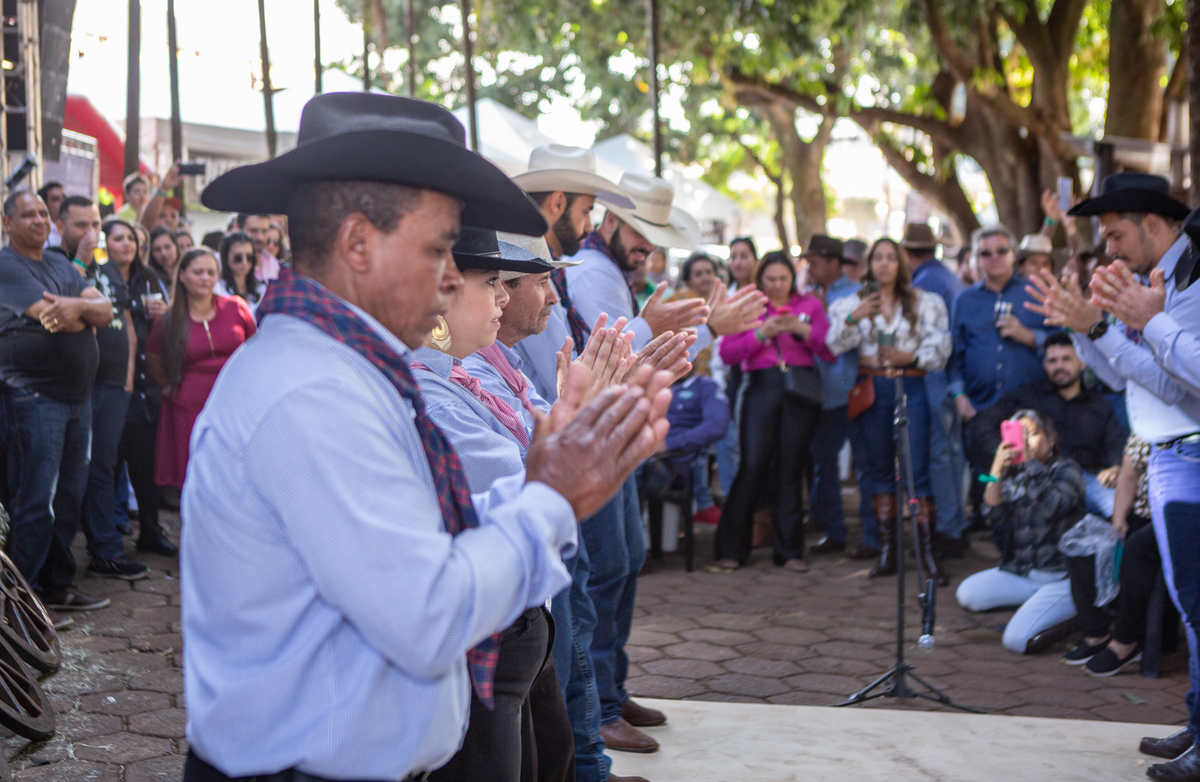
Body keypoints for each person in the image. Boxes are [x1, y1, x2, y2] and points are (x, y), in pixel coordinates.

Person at [181, 91, 673, 782]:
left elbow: (424, 548)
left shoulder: (341, 370)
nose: (450, 281)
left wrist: (547, 478)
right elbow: (429, 614)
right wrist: (552, 496)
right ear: (358, 243)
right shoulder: (314, 391)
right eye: (440, 249)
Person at [1025, 172, 1200, 780]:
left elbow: (1178, 383)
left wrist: (1106, 327)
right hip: (1168, 456)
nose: (1109, 249)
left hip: (1190, 452)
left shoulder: (1192, 276)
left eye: (1115, 234)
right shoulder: (1152, 281)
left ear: (1151, 223)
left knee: (1197, 603)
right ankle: (1198, 723)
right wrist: (1084, 326)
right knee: (1191, 602)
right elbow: (1123, 375)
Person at [410, 228, 571, 782]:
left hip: (505, 624)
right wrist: (575, 444)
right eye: (490, 282)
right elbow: (521, 484)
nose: (504, 295)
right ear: (442, 295)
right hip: (486, 633)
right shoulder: (430, 394)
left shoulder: (451, 373)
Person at [0, 190, 113, 621]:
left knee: (68, 499)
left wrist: (79, 306)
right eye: (28, 214)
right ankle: (20, 608)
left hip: (77, 400)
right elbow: (52, 317)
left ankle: (56, 586)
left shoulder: (60, 263)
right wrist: (85, 310)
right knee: (34, 502)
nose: (39, 220)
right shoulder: (7, 265)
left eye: (43, 213)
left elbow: (104, 311)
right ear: (7, 223)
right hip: (33, 398)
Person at [826, 238, 952, 584]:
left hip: (912, 385)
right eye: (877, 258)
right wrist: (854, 317)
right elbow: (834, 343)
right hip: (872, 387)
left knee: (917, 470)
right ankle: (887, 553)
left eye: (890, 258)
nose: (884, 264)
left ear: (900, 263)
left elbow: (941, 349)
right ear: (869, 264)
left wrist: (909, 357)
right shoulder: (851, 302)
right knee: (879, 469)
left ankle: (928, 556)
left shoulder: (926, 301)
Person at [715, 250, 833, 571]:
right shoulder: (748, 305)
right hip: (761, 387)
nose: (778, 285)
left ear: (793, 278)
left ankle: (790, 551)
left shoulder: (809, 305)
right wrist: (761, 334)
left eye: (783, 278)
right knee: (753, 464)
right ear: (760, 278)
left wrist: (801, 329)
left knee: (791, 467)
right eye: (771, 279)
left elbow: (829, 348)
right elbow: (727, 353)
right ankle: (732, 547)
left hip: (799, 389)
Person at [57, 203, 150, 581]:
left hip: (114, 384)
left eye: (95, 224)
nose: (90, 232)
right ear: (61, 226)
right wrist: (80, 259)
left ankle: (105, 551)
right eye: (81, 224)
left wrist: (127, 377)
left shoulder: (109, 268)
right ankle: (60, 561)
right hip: (78, 382)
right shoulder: (57, 262)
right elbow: (64, 302)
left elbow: (125, 322)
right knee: (74, 469)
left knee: (104, 465)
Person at [955, 410, 1087, 653]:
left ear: (1052, 438)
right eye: (1020, 436)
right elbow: (992, 516)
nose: (1026, 442)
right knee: (968, 594)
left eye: (1033, 434)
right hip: (1024, 574)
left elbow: (1053, 507)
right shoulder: (1014, 475)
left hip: (1061, 578)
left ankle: (1076, 619)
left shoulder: (1067, 469)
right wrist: (996, 472)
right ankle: (1036, 607)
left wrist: (1029, 463)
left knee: (1016, 640)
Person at [949, 225, 1048, 529]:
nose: (993, 257)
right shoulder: (964, 301)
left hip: (1029, 401)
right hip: (982, 403)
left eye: (1001, 251)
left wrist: (1027, 335)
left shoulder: (1034, 291)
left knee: (1029, 470)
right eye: (985, 253)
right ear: (976, 259)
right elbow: (955, 356)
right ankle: (989, 528)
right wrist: (959, 396)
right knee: (984, 470)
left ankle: (1026, 531)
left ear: (1014, 255)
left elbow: (1062, 340)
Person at [968, 331, 1124, 518]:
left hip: (1087, 480)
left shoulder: (1099, 405)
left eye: (1066, 359)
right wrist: (1005, 452)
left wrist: (1115, 467)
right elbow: (982, 423)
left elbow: (1115, 444)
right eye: (1052, 361)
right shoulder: (1028, 396)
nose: (1059, 366)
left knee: (1118, 505)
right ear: (1044, 364)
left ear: (1082, 363)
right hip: (1037, 476)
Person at [147, 248, 256, 493]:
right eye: (198, 272)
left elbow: (255, 350)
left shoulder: (236, 307)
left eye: (210, 272)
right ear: (182, 275)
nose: (205, 278)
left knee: (235, 476)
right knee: (196, 478)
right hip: (189, 407)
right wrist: (176, 390)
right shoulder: (168, 320)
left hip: (235, 403)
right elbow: (154, 362)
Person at [1063, 433, 1165, 676]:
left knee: (1137, 549)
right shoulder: (1144, 429)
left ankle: (1126, 642)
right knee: (1084, 545)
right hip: (1141, 513)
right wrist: (1118, 521)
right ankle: (1096, 634)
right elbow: (1128, 476)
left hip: (1176, 515)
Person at [105, 219, 177, 557]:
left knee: (145, 468)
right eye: (119, 238)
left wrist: (165, 312)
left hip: (146, 388)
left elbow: (170, 322)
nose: (127, 244)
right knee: (107, 468)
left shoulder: (148, 277)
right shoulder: (98, 276)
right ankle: (106, 541)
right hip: (111, 382)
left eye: (131, 239)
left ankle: (150, 530)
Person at [902, 223, 970, 558]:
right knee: (950, 453)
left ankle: (948, 530)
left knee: (940, 456)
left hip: (936, 374)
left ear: (906, 253)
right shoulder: (946, 276)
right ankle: (955, 525)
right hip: (951, 375)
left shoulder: (925, 283)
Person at [801, 235, 859, 555]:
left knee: (860, 465)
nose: (810, 269)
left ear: (835, 263)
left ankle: (867, 534)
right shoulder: (808, 294)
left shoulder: (855, 294)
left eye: (815, 263)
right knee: (823, 462)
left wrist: (822, 312)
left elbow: (843, 341)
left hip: (851, 391)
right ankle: (831, 527)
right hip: (817, 392)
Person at [214, 231, 262, 313]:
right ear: (226, 257)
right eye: (238, 258)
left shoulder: (261, 288)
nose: (244, 262)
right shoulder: (217, 289)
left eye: (249, 257)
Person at [236, 213, 279, 282]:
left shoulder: (273, 264)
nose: (260, 237)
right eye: (254, 231)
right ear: (237, 228)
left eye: (264, 231)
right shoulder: (220, 265)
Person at [149, 226, 181, 298]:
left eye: (167, 247)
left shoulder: (187, 272)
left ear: (176, 246)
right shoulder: (151, 279)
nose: (163, 253)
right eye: (157, 249)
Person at [38, 181, 65, 248]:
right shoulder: (40, 230)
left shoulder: (70, 228)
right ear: (44, 204)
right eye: (56, 199)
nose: (63, 202)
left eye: (64, 198)